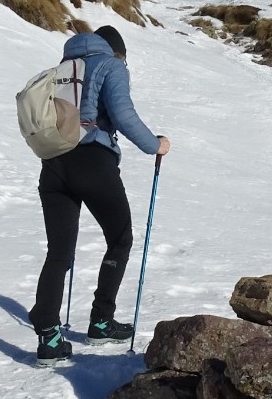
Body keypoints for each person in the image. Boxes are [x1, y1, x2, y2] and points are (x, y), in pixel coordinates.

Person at [29, 25, 170, 364]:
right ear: (116, 50)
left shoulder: (64, 68)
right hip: (93, 161)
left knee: (59, 253)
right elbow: (122, 114)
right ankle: (101, 322)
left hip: (53, 164)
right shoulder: (111, 65)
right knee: (120, 239)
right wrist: (156, 145)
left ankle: (49, 339)